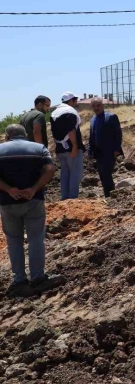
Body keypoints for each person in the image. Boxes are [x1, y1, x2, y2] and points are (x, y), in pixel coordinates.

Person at [0, 124, 62, 297]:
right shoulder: (39, 148)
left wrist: (9, 189)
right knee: (36, 239)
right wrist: (34, 188)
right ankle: (38, 277)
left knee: (14, 241)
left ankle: (19, 280)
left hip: (7, 203)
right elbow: (50, 169)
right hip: (33, 201)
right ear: (25, 135)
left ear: (7, 136)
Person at [51, 92, 85, 200]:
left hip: (61, 148)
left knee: (65, 172)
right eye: (75, 100)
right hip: (71, 148)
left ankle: (64, 197)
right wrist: (75, 146)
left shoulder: (54, 113)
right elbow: (71, 130)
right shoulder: (69, 111)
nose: (75, 103)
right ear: (70, 101)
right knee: (75, 172)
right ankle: (72, 198)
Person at [87, 98, 123, 197]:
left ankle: (110, 195)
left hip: (109, 151)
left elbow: (118, 134)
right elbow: (91, 136)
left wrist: (116, 149)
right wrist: (89, 151)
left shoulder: (111, 117)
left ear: (102, 105)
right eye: (94, 106)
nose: (96, 108)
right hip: (98, 152)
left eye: (98, 105)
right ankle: (108, 194)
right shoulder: (93, 119)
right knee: (102, 175)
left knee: (106, 173)